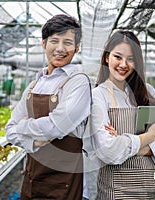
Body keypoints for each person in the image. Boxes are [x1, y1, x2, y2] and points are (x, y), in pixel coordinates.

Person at [5, 14, 91, 200]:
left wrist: (23, 127)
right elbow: (9, 130)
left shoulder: (78, 82)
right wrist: (33, 142)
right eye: (54, 41)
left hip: (63, 182)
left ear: (77, 48)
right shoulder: (34, 84)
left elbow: (55, 127)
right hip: (32, 178)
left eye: (68, 42)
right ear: (44, 43)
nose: (60, 48)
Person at [89, 30, 155, 199]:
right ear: (107, 57)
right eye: (118, 57)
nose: (123, 64)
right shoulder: (99, 95)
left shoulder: (148, 92)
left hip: (151, 189)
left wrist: (125, 143)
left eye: (130, 59)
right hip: (116, 191)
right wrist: (150, 136)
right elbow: (108, 151)